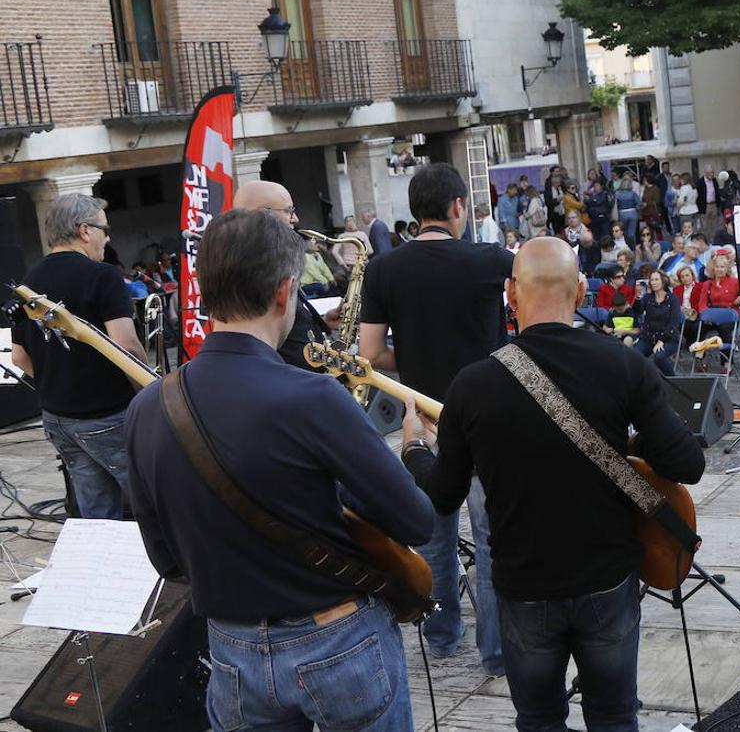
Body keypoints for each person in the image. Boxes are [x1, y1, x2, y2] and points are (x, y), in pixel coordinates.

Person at [125, 207, 437, 732]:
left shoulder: (149, 405)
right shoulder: (313, 396)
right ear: (284, 290)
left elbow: (167, 560)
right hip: (337, 640)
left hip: (230, 647)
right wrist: (412, 448)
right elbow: (416, 523)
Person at [400, 237, 704, 731]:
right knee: (614, 717)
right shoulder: (622, 363)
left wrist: (415, 449)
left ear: (510, 294)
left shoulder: (472, 385)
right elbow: (687, 463)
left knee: (539, 720)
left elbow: (442, 496)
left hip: (525, 590)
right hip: (608, 580)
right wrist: (628, 434)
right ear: (581, 291)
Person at [358, 163, 512, 676]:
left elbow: (372, 354)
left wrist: (419, 353)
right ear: (456, 209)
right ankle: (496, 653)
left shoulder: (384, 269)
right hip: (489, 420)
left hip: (424, 422)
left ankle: (442, 636)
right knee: (492, 542)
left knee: (433, 539)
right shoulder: (492, 259)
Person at [10, 195, 144, 520]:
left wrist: (61, 383)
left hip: (57, 418)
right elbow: (125, 344)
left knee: (97, 511)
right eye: (104, 229)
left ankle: (106, 568)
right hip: (108, 416)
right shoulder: (102, 275)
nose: (107, 237)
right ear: (85, 230)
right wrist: (150, 390)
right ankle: (171, 568)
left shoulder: (28, 284)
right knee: (154, 499)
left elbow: (19, 357)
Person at [234, 180, 332, 372]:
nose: (295, 219)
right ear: (263, 214)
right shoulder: (249, 267)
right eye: (288, 211)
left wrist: (323, 322)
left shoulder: (269, 259)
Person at [616, 174, 642, 240]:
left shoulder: (618, 194)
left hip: (622, 213)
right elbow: (639, 203)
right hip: (633, 213)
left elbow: (616, 205)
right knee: (632, 232)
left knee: (624, 232)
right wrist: (637, 209)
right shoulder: (633, 193)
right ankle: (632, 247)